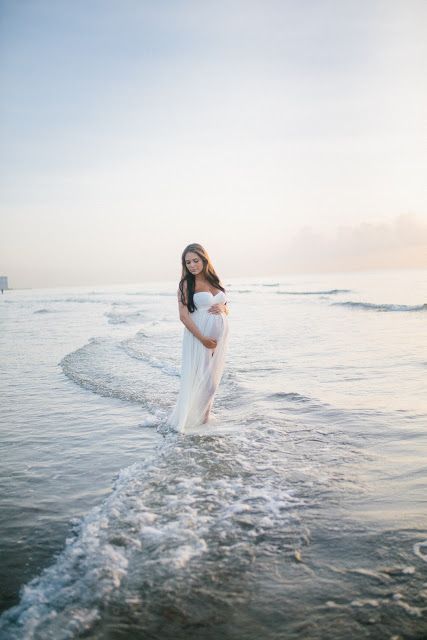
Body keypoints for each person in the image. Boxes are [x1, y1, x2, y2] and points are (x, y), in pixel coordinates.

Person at [167, 243, 230, 433]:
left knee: (212, 382)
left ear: (204, 260)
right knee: (204, 382)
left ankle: (205, 419)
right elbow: (183, 316)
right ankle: (197, 423)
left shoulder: (215, 281)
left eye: (195, 260)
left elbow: (226, 307)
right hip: (199, 337)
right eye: (188, 263)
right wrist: (203, 339)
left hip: (219, 339)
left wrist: (224, 308)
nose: (192, 265)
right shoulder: (186, 284)